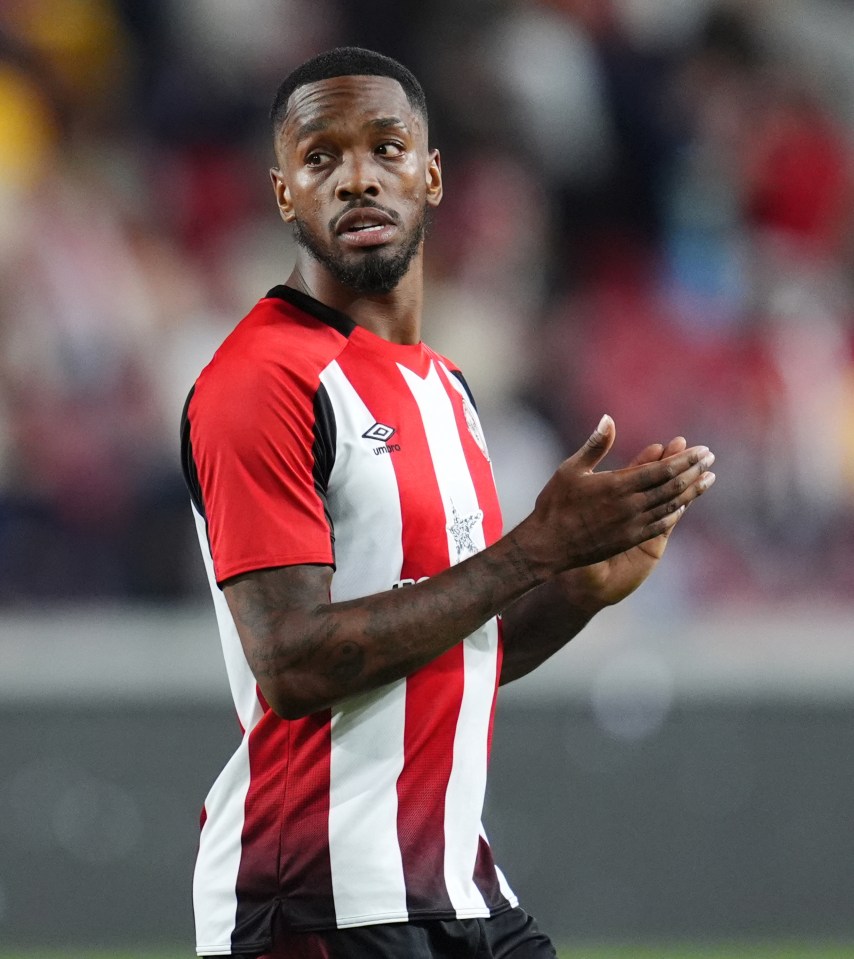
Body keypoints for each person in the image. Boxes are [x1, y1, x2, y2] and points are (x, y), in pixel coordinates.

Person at [180, 46, 716, 959]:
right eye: (321, 158)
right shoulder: (260, 380)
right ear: (283, 195)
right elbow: (295, 665)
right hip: (318, 904)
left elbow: (451, 660)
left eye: (387, 148)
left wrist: (580, 588)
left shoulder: (447, 387)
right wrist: (531, 553)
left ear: (430, 178)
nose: (358, 178)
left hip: (458, 889)